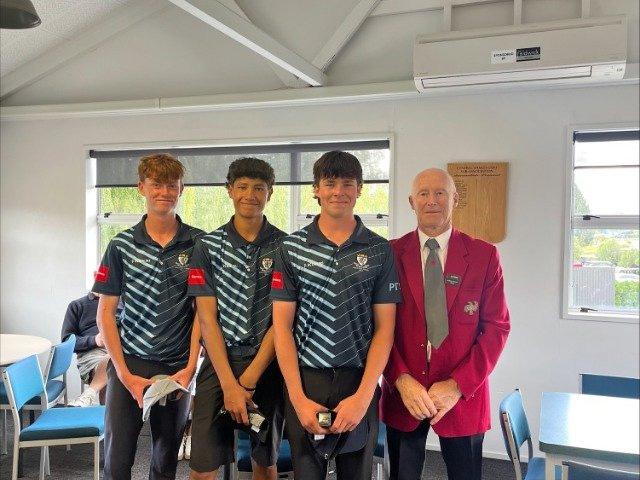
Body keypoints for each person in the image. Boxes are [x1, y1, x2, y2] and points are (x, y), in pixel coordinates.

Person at [271, 151, 401, 480]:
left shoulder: (379, 250)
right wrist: (298, 398)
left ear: (360, 189)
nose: (338, 191)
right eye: (329, 183)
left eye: (347, 183)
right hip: (306, 381)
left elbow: (385, 330)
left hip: (358, 382)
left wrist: (363, 397)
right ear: (316, 189)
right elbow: (282, 328)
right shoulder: (290, 248)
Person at [380, 168, 511, 480]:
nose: (432, 200)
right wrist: (400, 379)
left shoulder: (483, 255)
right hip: (405, 394)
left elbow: (497, 328)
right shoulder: (389, 254)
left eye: (440, 193)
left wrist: (457, 385)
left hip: (463, 396)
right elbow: (377, 327)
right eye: (423, 194)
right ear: (412, 202)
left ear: (455, 199)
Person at [93, 153, 204, 480]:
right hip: (129, 363)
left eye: (171, 185)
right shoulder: (120, 245)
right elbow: (105, 314)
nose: (164, 192)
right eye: (156, 184)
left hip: (176, 367)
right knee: (117, 459)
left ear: (181, 189)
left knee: (165, 459)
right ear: (141, 187)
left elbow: (202, 313)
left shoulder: (199, 244)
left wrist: (189, 369)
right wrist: (124, 374)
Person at [187, 157, 286, 480]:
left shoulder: (286, 247)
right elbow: (207, 320)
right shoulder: (207, 247)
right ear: (229, 190)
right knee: (202, 468)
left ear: (270, 193)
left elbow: (282, 322)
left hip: (267, 366)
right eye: (242, 186)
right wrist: (230, 385)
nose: (250, 195)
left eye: (259, 188)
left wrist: (249, 380)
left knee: (265, 464)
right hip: (219, 365)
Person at [61, 292, 110, 406]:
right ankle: (107, 416)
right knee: (112, 368)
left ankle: (89, 394)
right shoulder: (77, 305)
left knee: (115, 362)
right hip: (92, 353)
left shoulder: (122, 303)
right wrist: (94, 340)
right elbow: (67, 342)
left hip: (120, 350)